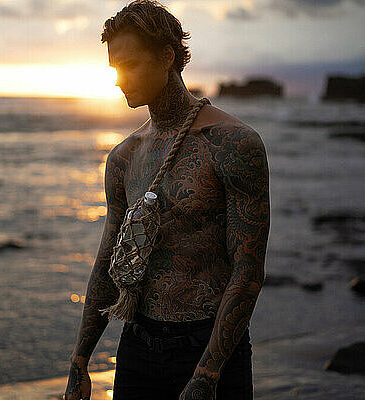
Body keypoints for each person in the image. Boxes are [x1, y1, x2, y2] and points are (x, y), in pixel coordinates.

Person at [64, 1, 270, 399]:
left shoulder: (232, 144)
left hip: (210, 347)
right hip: (137, 346)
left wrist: (208, 373)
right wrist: (80, 359)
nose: (120, 80)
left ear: (166, 56)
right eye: (114, 68)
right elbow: (108, 258)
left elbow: (248, 269)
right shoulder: (124, 157)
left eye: (130, 65)